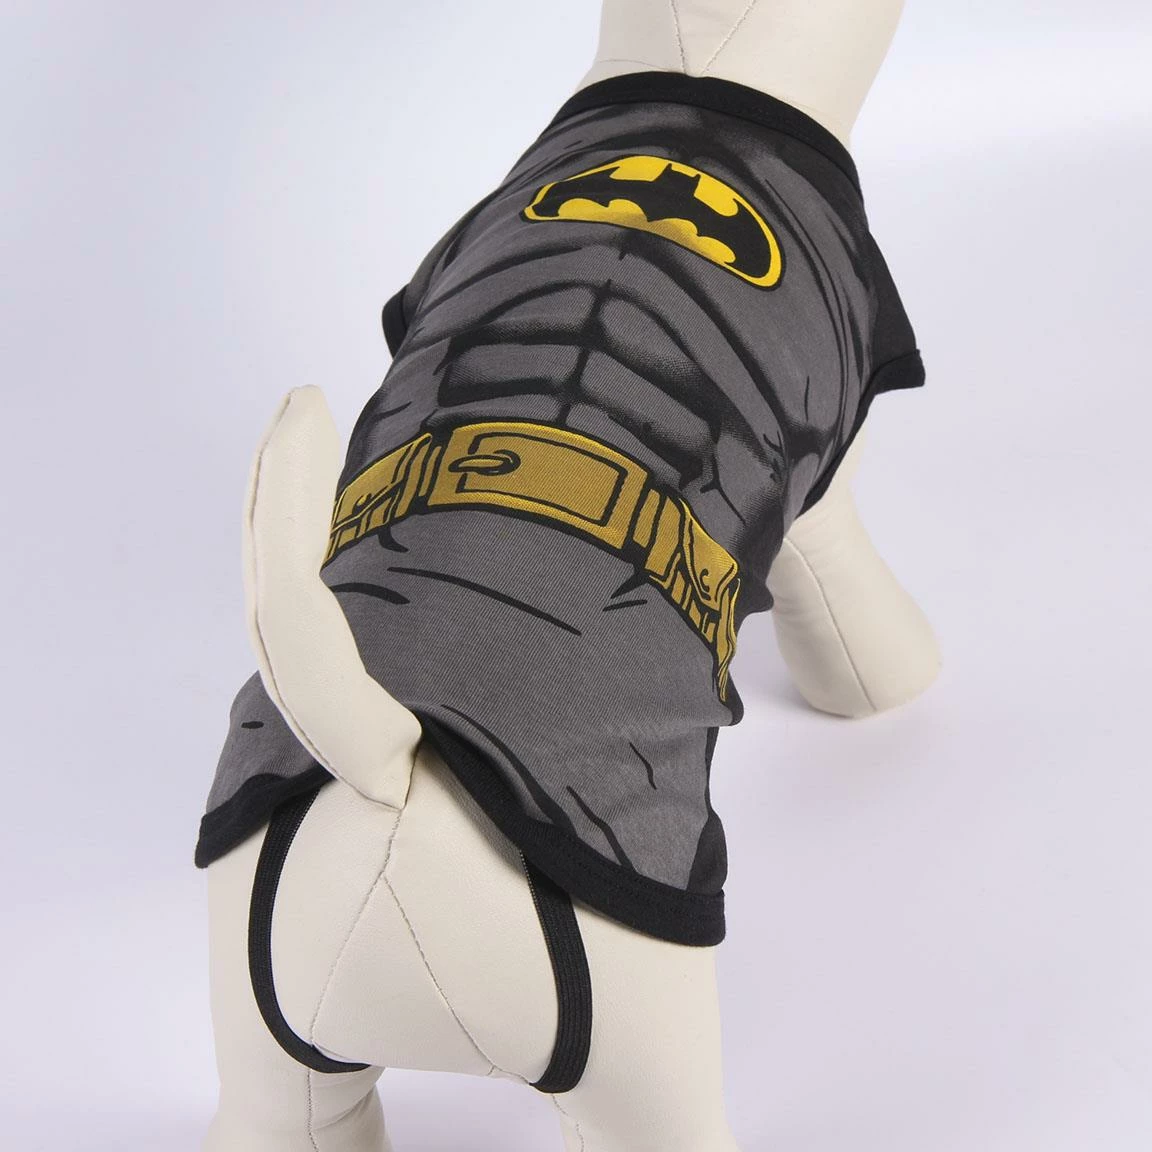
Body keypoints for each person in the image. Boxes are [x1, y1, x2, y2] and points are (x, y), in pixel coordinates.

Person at [200, 3, 940, 1149]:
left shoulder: (499, 216)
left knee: (282, 1123)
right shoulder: (821, 268)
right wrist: (876, 667)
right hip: (589, 901)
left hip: (283, 827)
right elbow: (854, 650)